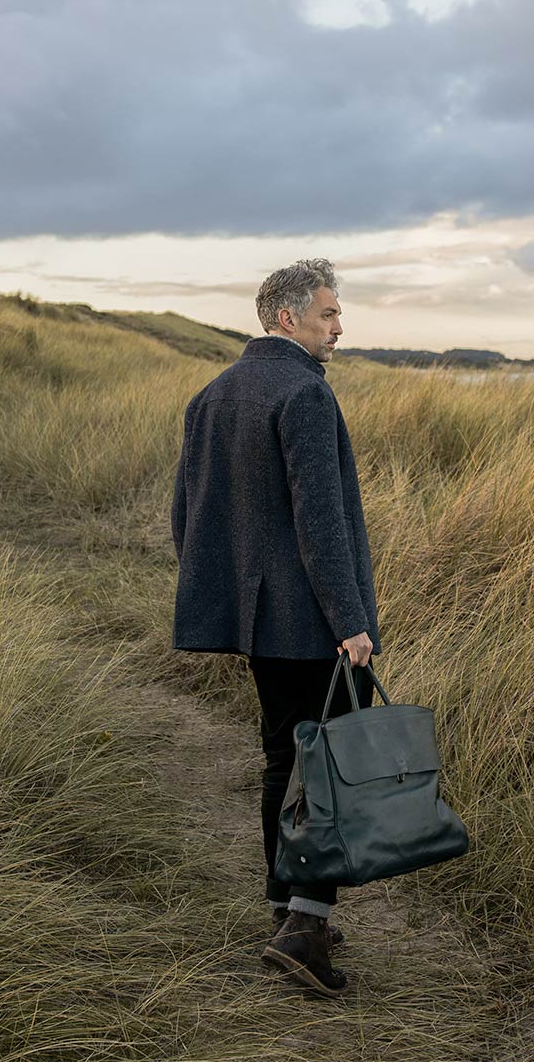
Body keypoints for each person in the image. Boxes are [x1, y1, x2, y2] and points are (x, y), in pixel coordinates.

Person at [170, 258, 382, 997]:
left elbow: (186, 516)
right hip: (316, 624)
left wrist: (229, 594)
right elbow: (321, 527)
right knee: (330, 767)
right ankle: (306, 929)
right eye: (328, 314)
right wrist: (350, 622)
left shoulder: (213, 395)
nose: (339, 326)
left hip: (260, 619)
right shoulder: (304, 395)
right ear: (287, 319)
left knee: (281, 759)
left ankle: (285, 909)